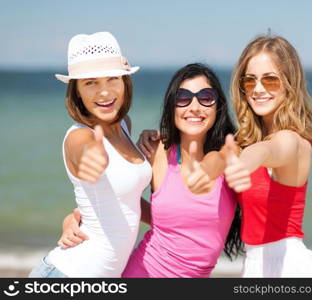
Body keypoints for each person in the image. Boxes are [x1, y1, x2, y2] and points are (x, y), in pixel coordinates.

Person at [60, 63, 247, 277]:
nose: (194, 107)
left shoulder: (232, 155)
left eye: (205, 97)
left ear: (218, 105)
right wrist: (74, 218)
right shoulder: (158, 151)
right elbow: (118, 196)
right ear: (172, 106)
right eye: (183, 98)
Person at [28, 32, 152, 277]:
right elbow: (84, 152)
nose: (104, 92)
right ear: (78, 92)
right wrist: (92, 159)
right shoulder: (79, 137)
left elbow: (124, 199)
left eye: (112, 79)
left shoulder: (125, 125)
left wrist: (175, 219)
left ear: (125, 82)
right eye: (90, 82)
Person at [223, 34, 312, 277]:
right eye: (250, 81)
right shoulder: (246, 141)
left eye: (270, 80)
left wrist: (244, 161)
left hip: (288, 267)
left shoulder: (293, 140)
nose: (258, 89)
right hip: (255, 264)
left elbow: (271, 151)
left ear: (289, 83)